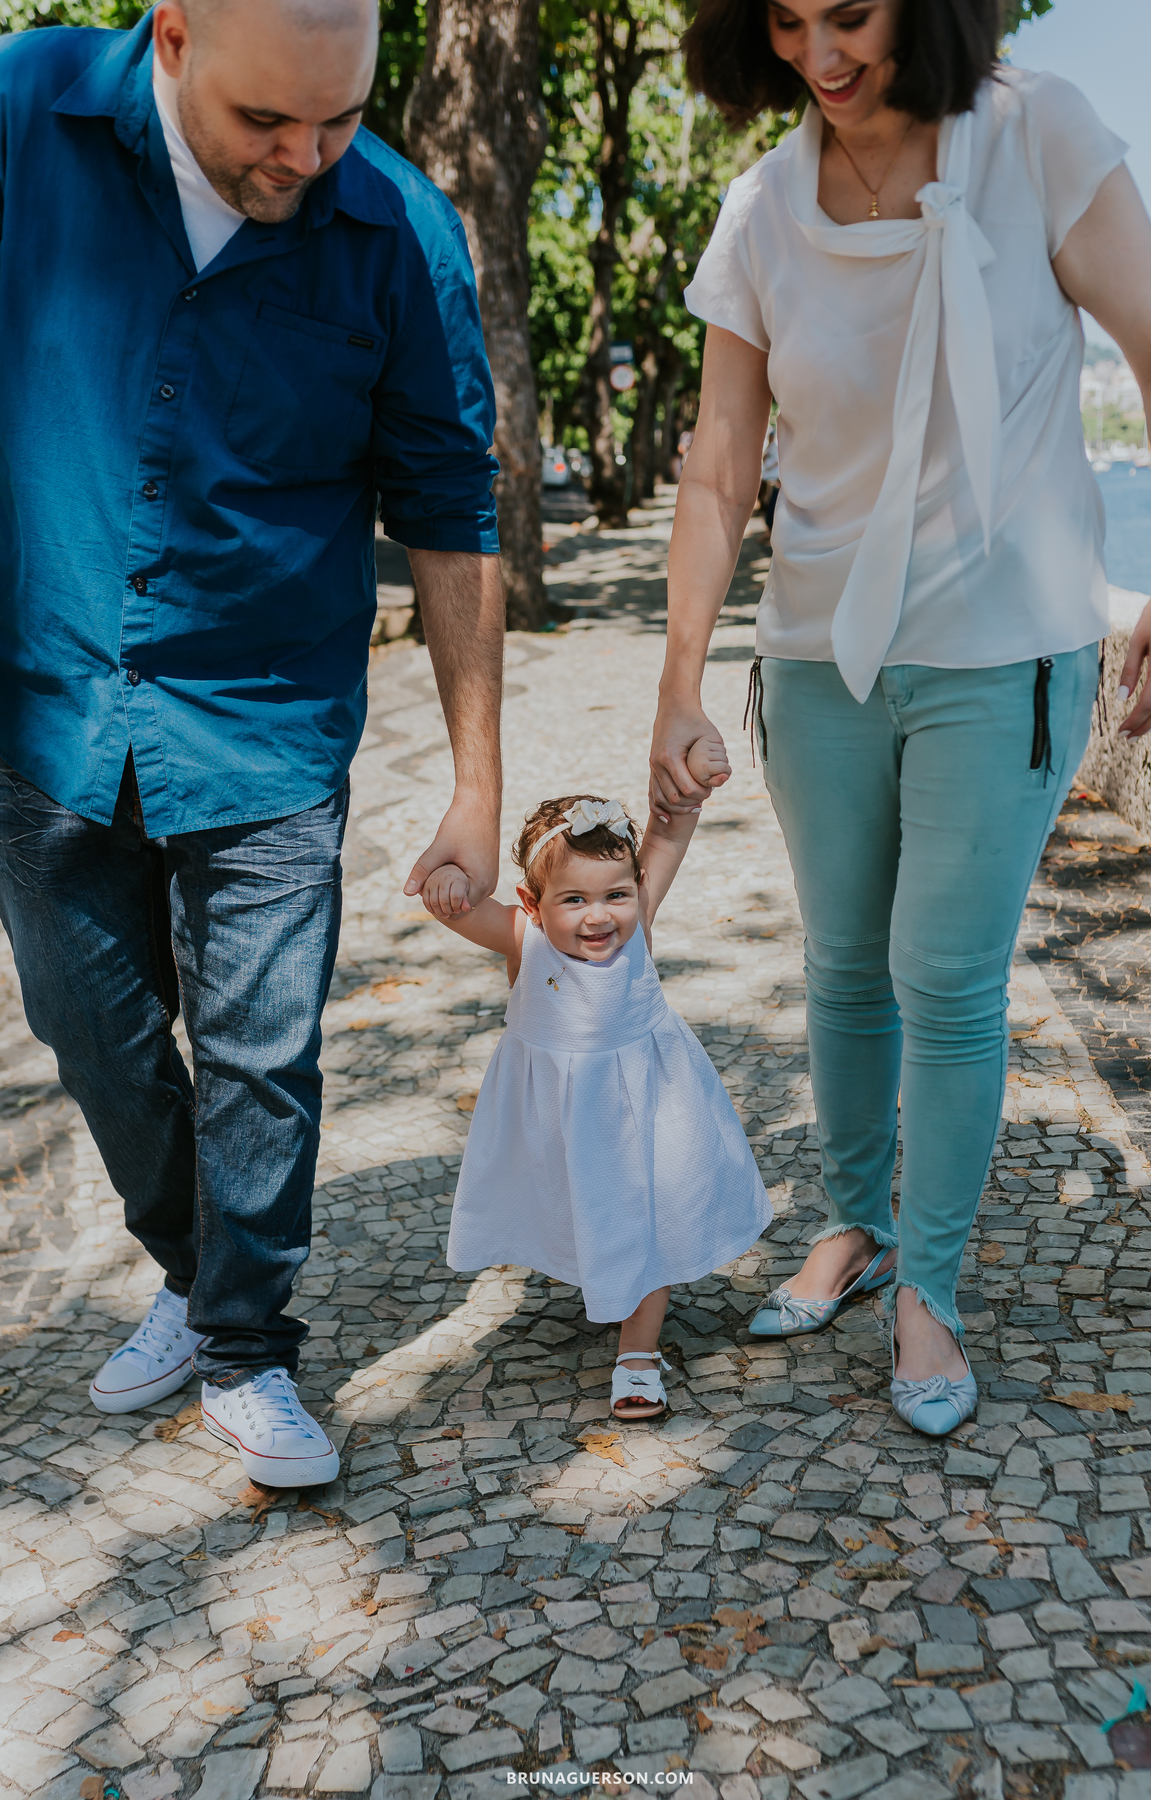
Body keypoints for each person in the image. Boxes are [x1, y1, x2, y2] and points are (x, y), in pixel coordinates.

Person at [650, 0, 1151, 1436]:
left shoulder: (1035, 135)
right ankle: (855, 1223)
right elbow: (720, 467)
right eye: (785, 22)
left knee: (941, 976)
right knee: (841, 964)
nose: (822, 57)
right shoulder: (763, 206)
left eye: (853, 15)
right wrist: (677, 680)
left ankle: (930, 1287)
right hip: (819, 650)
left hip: (1003, 652)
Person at [0, 0, 504, 1485]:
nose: (307, 155)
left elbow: (450, 512)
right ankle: (186, 1264)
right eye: (265, 124)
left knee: (262, 1060)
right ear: (171, 41)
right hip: (46, 696)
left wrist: (477, 785)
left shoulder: (397, 227)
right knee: (90, 1034)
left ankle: (245, 1347)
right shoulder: (29, 107)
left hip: (269, 720)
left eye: (341, 117)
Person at [416, 766, 773, 1422]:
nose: (598, 916)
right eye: (573, 900)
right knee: (574, 1213)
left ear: (636, 889)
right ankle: (592, 1276)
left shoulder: (640, 922)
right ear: (532, 904)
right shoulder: (521, 937)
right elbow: (455, 906)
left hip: (645, 1109)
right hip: (558, 1121)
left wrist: (688, 789)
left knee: (646, 1224)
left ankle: (637, 1356)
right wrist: (448, 881)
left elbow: (670, 837)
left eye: (615, 894)